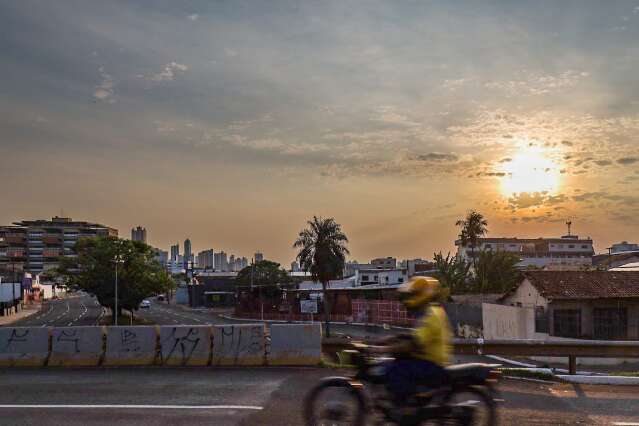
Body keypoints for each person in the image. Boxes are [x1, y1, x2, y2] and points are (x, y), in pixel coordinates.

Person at [367, 277, 452, 421]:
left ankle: (406, 410)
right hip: (428, 358)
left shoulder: (431, 317)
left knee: (397, 369)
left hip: (432, 364)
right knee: (393, 363)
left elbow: (412, 344)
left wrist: (383, 350)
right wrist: (387, 340)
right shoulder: (431, 311)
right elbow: (412, 336)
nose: (408, 302)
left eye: (413, 295)